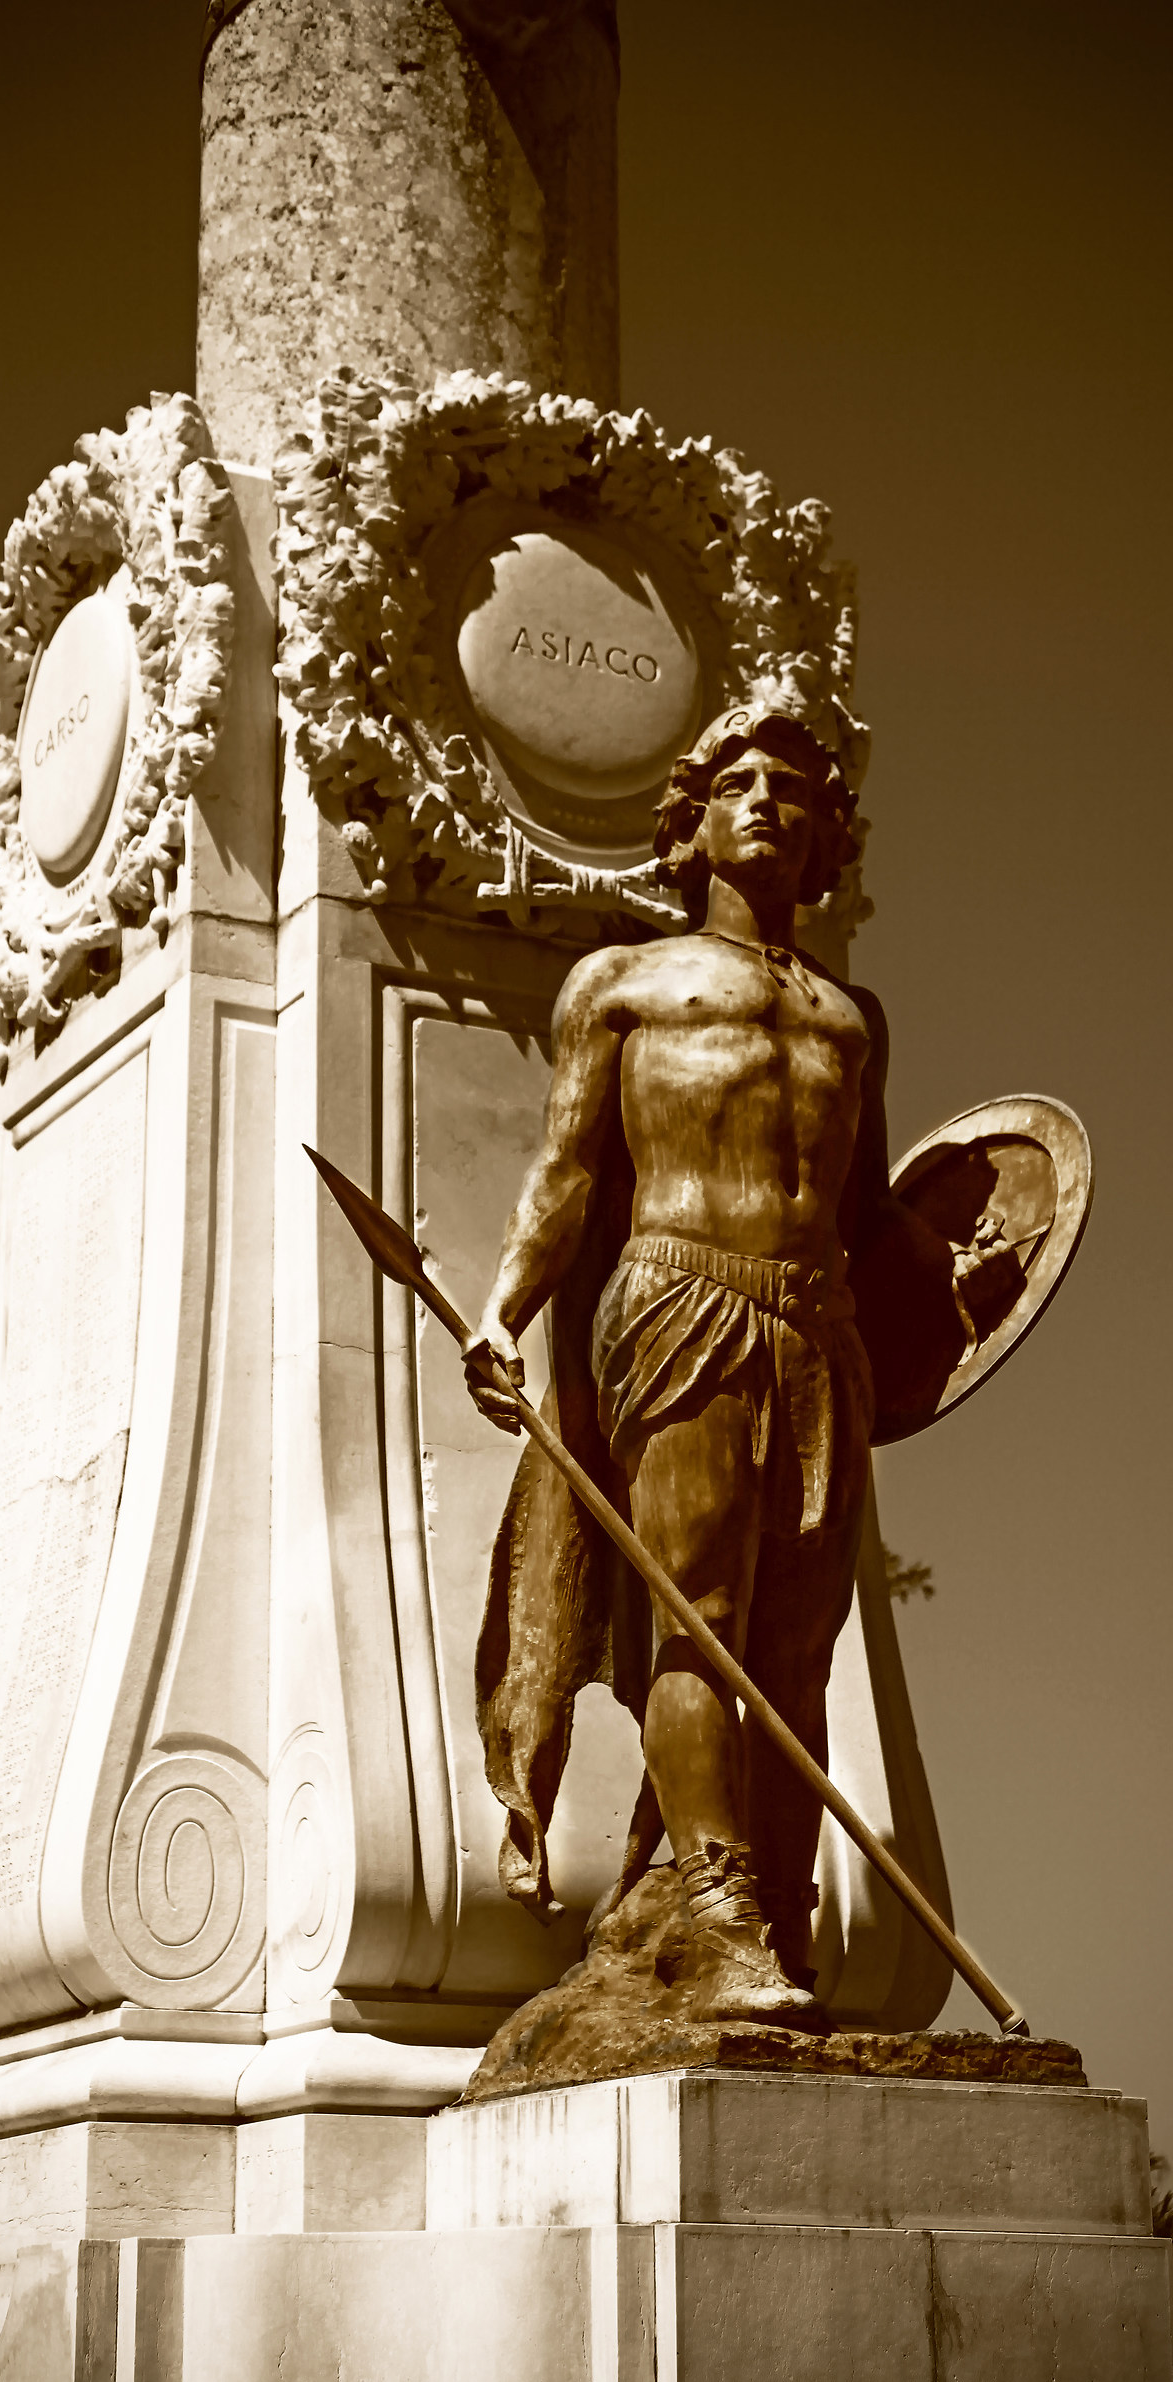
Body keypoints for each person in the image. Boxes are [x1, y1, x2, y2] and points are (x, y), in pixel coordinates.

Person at [463, 702, 995, 2022]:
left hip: (819, 1330)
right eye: (742, 784)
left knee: (801, 1648)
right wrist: (501, 1310)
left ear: (826, 840)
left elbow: (868, 1214)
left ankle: (789, 1932)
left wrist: (951, 1271)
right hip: (677, 1303)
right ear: (693, 825)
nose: (768, 802)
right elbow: (568, 1177)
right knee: (696, 1618)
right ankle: (716, 1908)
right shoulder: (625, 987)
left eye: (797, 791)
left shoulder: (852, 1021)